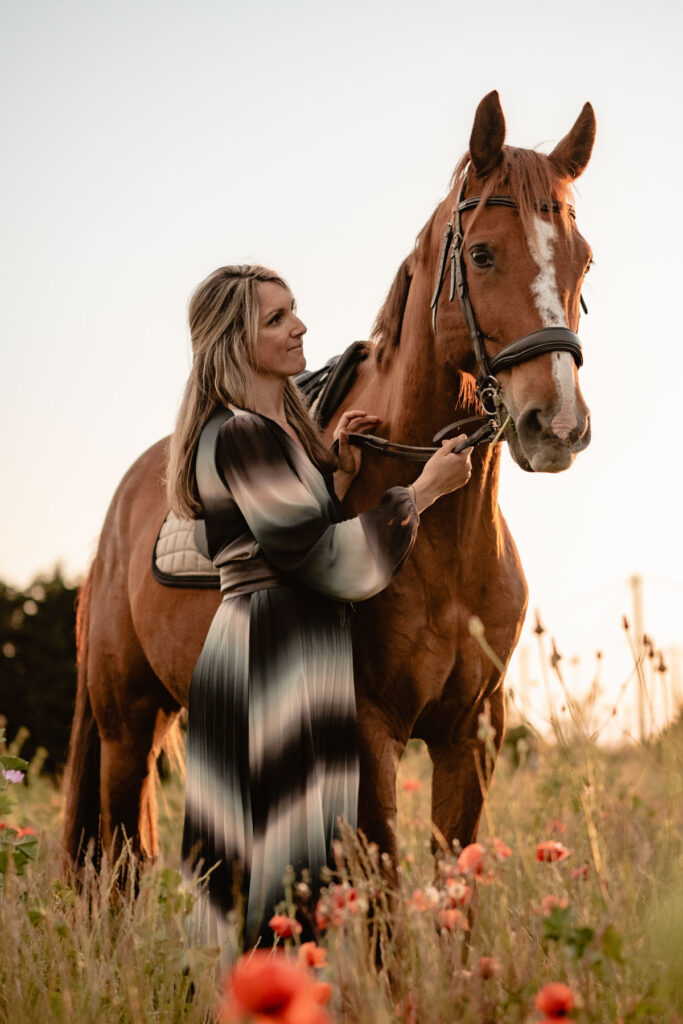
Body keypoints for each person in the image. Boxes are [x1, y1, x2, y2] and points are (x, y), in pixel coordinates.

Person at [166, 264, 472, 957]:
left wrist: (332, 473)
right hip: (268, 655)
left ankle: (274, 991)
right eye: (274, 318)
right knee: (269, 869)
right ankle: (257, 993)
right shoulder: (239, 433)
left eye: (293, 310)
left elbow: (285, 532)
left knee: (297, 865)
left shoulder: (271, 433)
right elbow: (320, 558)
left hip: (295, 647)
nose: (299, 326)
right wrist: (424, 491)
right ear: (234, 340)